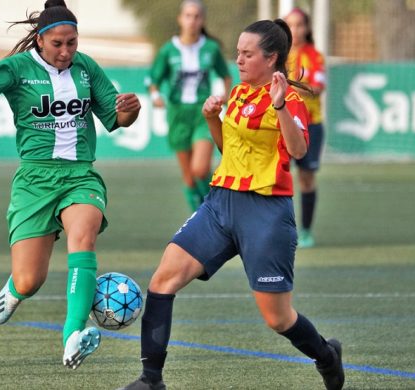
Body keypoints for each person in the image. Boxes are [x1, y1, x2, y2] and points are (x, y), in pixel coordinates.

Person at [119, 19, 344, 390]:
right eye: (237, 52)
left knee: (278, 319)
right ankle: (151, 380)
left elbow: (299, 150)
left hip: (266, 213)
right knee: (162, 281)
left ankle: (326, 355)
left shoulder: (288, 99)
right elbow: (230, 149)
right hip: (220, 204)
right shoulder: (239, 92)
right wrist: (211, 118)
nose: (237, 59)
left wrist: (281, 108)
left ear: (271, 59)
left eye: (247, 54)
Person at [0, 0, 141, 370]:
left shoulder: (86, 68)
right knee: (30, 279)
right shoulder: (18, 69)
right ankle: (15, 289)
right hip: (34, 180)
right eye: (58, 43)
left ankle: (73, 335)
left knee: (83, 235)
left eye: (72, 42)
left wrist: (130, 110)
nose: (66, 51)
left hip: (80, 176)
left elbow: (115, 118)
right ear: (40, 40)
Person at [147, 0, 232, 212]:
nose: (192, 21)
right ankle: (201, 216)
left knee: (200, 169)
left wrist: (225, 94)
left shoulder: (210, 48)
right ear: (180, 19)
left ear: (202, 20)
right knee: (189, 177)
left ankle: (214, 206)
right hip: (177, 115)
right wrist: (156, 95)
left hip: (203, 113)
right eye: (188, 15)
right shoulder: (168, 50)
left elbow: (225, 75)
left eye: (196, 16)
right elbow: (153, 79)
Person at [285, 7, 326, 248]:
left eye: (299, 25)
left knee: (306, 178)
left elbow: (317, 88)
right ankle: (279, 227)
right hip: (280, 124)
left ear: (307, 28)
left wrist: (285, 88)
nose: (295, 30)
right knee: (277, 176)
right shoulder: (276, 55)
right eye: (290, 24)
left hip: (310, 124)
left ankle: (307, 231)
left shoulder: (314, 56)